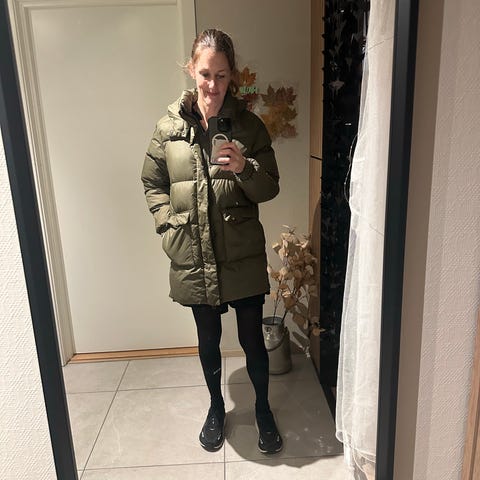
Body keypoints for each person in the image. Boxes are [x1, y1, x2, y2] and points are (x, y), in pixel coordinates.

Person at [141, 28, 282, 454]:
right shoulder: (168, 128)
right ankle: (217, 408)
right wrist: (169, 224)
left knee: (252, 340)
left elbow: (269, 187)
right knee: (207, 341)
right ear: (191, 69)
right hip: (193, 253)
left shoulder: (249, 126)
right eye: (205, 74)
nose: (213, 85)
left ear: (232, 75)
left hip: (241, 253)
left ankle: (262, 409)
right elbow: (152, 182)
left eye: (221, 76)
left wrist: (244, 168)